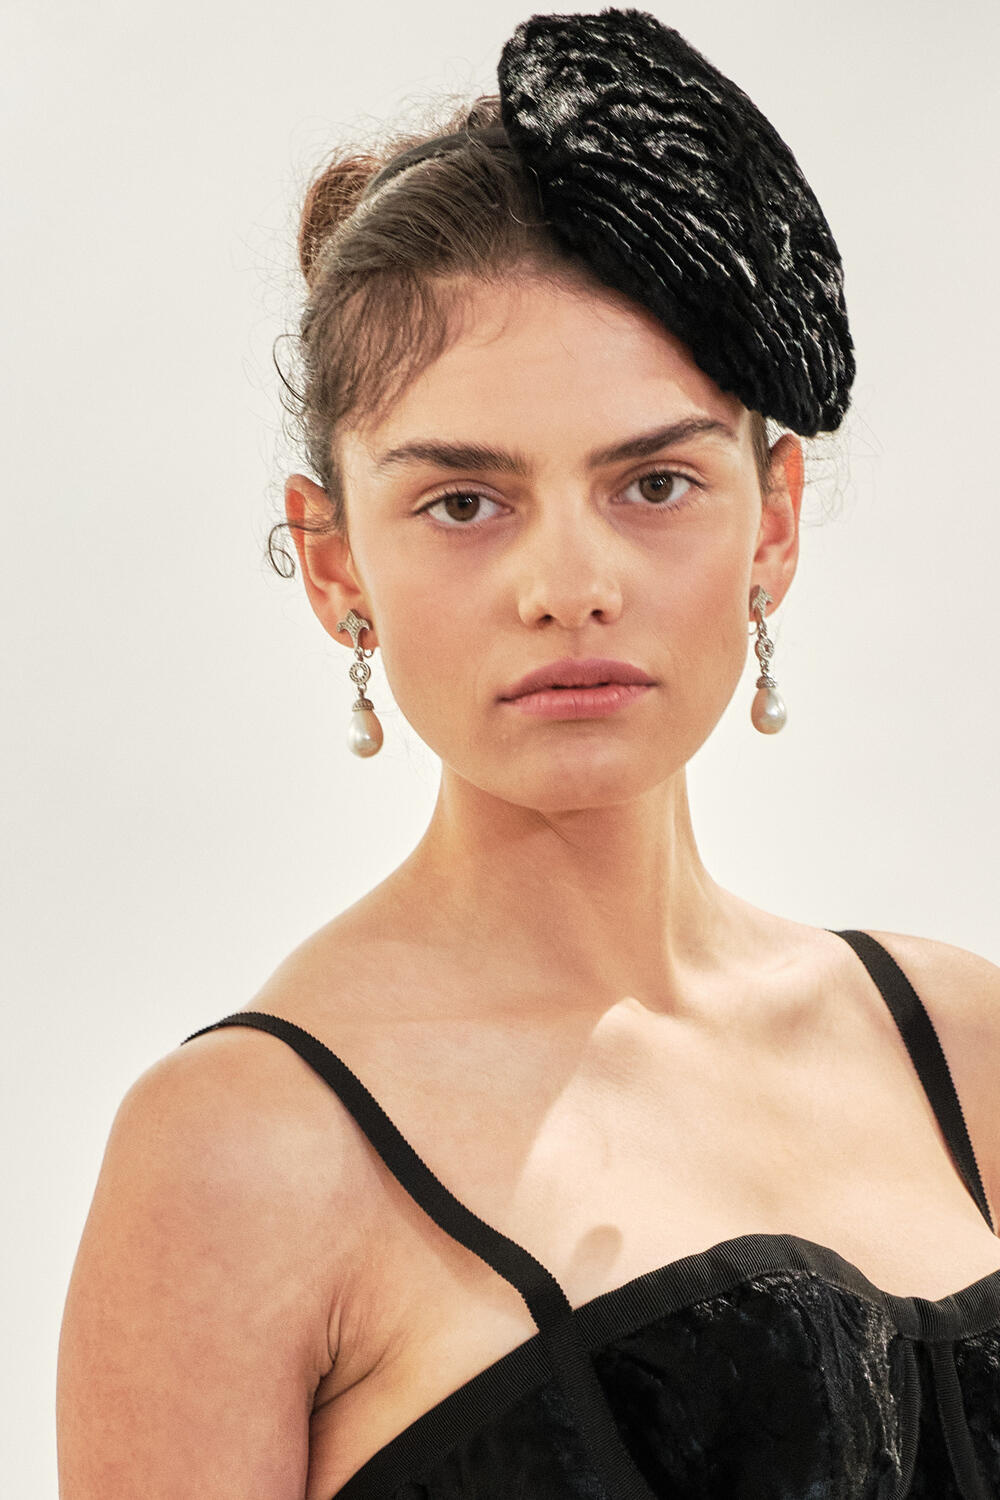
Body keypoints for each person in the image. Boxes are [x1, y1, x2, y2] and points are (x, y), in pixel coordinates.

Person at [56, 9, 1000, 1499]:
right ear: (334, 563)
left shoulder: (965, 1044)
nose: (570, 585)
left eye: (655, 482)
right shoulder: (239, 1152)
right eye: (465, 503)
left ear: (773, 521)